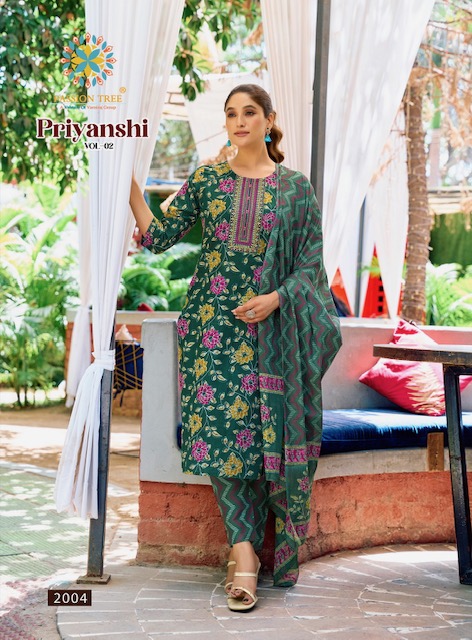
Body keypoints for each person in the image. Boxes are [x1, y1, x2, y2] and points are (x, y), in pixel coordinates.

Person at [129, 84, 342, 612]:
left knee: (262, 436)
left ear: (269, 120)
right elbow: (158, 237)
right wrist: (126, 183)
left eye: (249, 112)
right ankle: (243, 551)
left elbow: (311, 264)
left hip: (270, 333)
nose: (239, 121)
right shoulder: (207, 180)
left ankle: (251, 550)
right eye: (231, 114)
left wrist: (276, 298)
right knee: (220, 435)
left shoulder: (296, 189)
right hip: (211, 329)